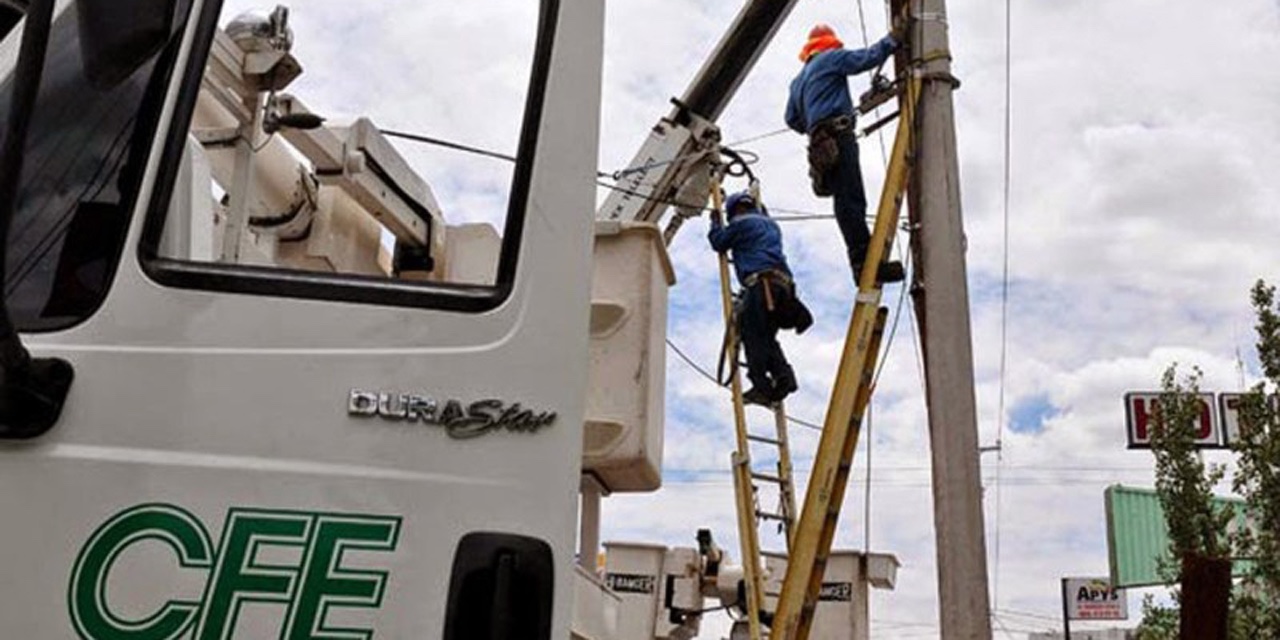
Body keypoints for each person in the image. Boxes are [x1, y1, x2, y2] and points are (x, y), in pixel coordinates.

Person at [785, 24, 905, 284]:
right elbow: (866, 58)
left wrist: (814, 121)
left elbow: (791, 119)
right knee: (851, 199)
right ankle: (864, 263)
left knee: (844, 199)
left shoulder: (797, 82)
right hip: (838, 136)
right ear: (829, 43)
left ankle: (861, 262)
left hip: (819, 143)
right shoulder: (832, 58)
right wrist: (893, 40)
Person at [708, 190, 812, 406]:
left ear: (734, 211)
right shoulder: (770, 224)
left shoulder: (741, 224)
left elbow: (719, 242)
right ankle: (784, 377)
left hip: (762, 284)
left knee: (753, 335)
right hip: (782, 288)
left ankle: (761, 386)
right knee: (766, 337)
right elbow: (761, 218)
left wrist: (715, 221)